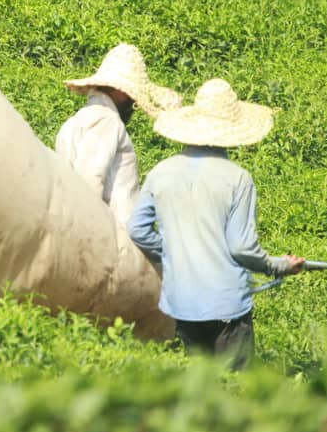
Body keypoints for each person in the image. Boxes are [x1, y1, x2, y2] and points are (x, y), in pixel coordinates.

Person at [127, 78, 304, 369]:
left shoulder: (161, 172)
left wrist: (175, 253)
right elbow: (242, 248)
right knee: (235, 388)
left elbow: (137, 229)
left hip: (181, 303)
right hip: (226, 306)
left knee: (200, 387)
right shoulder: (238, 178)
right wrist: (281, 265)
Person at [55, 43, 180, 225]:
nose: (132, 103)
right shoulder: (106, 120)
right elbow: (90, 179)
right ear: (120, 91)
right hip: (111, 236)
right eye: (131, 95)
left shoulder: (74, 122)